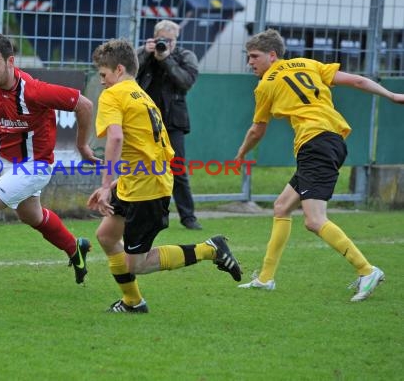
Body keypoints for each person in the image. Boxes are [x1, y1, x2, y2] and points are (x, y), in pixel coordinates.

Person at [235, 28, 404, 302]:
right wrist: (392, 96)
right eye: (248, 57)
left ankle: (367, 270)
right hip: (329, 140)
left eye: (254, 56)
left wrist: (241, 153)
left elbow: (257, 130)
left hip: (316, 144)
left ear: (272, 55)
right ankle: (265, 279)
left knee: (314, 220)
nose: (250, 62)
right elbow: (359, 81)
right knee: (281, 206)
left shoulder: (266, 84)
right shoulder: (308, 64)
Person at [89, 38, 242, 313]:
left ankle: (210, 249)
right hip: (141, 180)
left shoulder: (114, 95)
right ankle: (133, 302)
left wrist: (102, 185)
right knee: (107, 237)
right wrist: (114, 183)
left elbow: (115, 138)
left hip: (145, 189)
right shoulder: (142, 95)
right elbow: (147, 148)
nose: (102, 81)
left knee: (138, 263)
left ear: (120, 69)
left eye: (104, 74)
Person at [0, 33, 98, 288]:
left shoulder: (34, 91)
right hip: (12, 165)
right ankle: (74, 248)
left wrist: (82, 146)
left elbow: (85, 105)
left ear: (11, 62)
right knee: (31, 215)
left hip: (36, 166)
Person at [136, 20, 201, 230]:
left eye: (170, 41)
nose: (166, 44)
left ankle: (188, 217)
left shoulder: (185, 56)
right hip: (146, 121)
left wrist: (166, 59)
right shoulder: (143, 53)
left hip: (174, 122)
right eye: (162, 40)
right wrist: (146, 53)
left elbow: (186, 82)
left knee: (177, 169)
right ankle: (154, 215)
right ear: (154, 38)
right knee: (147, 169)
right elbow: (127, 74)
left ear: (176, 40)